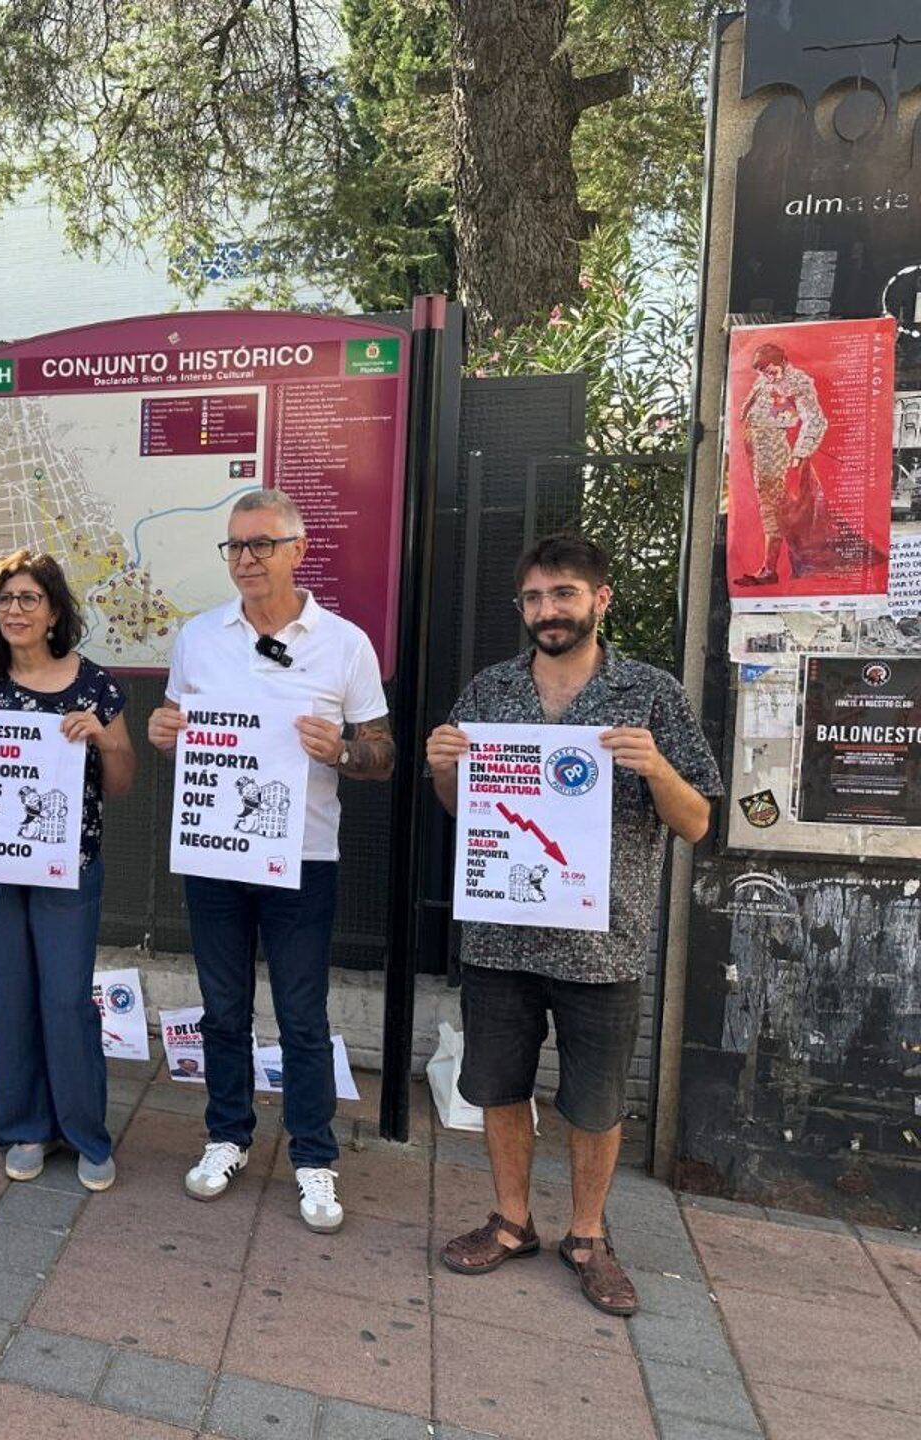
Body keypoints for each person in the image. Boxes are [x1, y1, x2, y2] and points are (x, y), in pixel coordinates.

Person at [426, 534, 720, 1317]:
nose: (547, 611)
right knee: (497, 1086)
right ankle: (512, 1220)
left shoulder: (651, 693)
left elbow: (696, 823)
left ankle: (587, 1236)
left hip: (604, 941)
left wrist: (658, 767)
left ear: (600, 599)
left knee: (593, 1101)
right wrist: (446, 765)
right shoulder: (490, 689)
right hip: (500, 933)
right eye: (533, 598)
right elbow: (461, 809)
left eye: (563, 594)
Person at [147, 490, 394, 1228]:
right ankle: (227, 1135)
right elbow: (181, 730)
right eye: (234, 546)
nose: (246, 559)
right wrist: (166, 731)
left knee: (301, 1015)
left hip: (304, 856)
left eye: (260, 544)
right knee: (223, 1009)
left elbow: (382, 753)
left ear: (298, 548)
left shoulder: (344, 642)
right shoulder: (198, 637)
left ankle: (314, 1157)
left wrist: (344, 750)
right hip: (217, 850)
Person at [0, 550, 137, 1192]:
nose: (15, 611)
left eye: (28, 599)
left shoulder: (95, 685)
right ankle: (25, 1125)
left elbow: (123, 782)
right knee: (8, 994)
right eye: (4, 600)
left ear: (55, 610)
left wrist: (105, 738)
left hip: (69, 867)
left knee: (65, 998)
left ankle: (84, 1132)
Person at [734, 341, 827, 587]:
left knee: (777, 510)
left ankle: (770, 569)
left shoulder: (798, 382)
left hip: (777, 452)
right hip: (758, 452)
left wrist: (800, 454)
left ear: (783, 363)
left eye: (771, 371)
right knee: (775, 510)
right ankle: (775, 567)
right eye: (763, 372)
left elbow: (815, 420)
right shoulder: (765, 379)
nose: (768, 376)